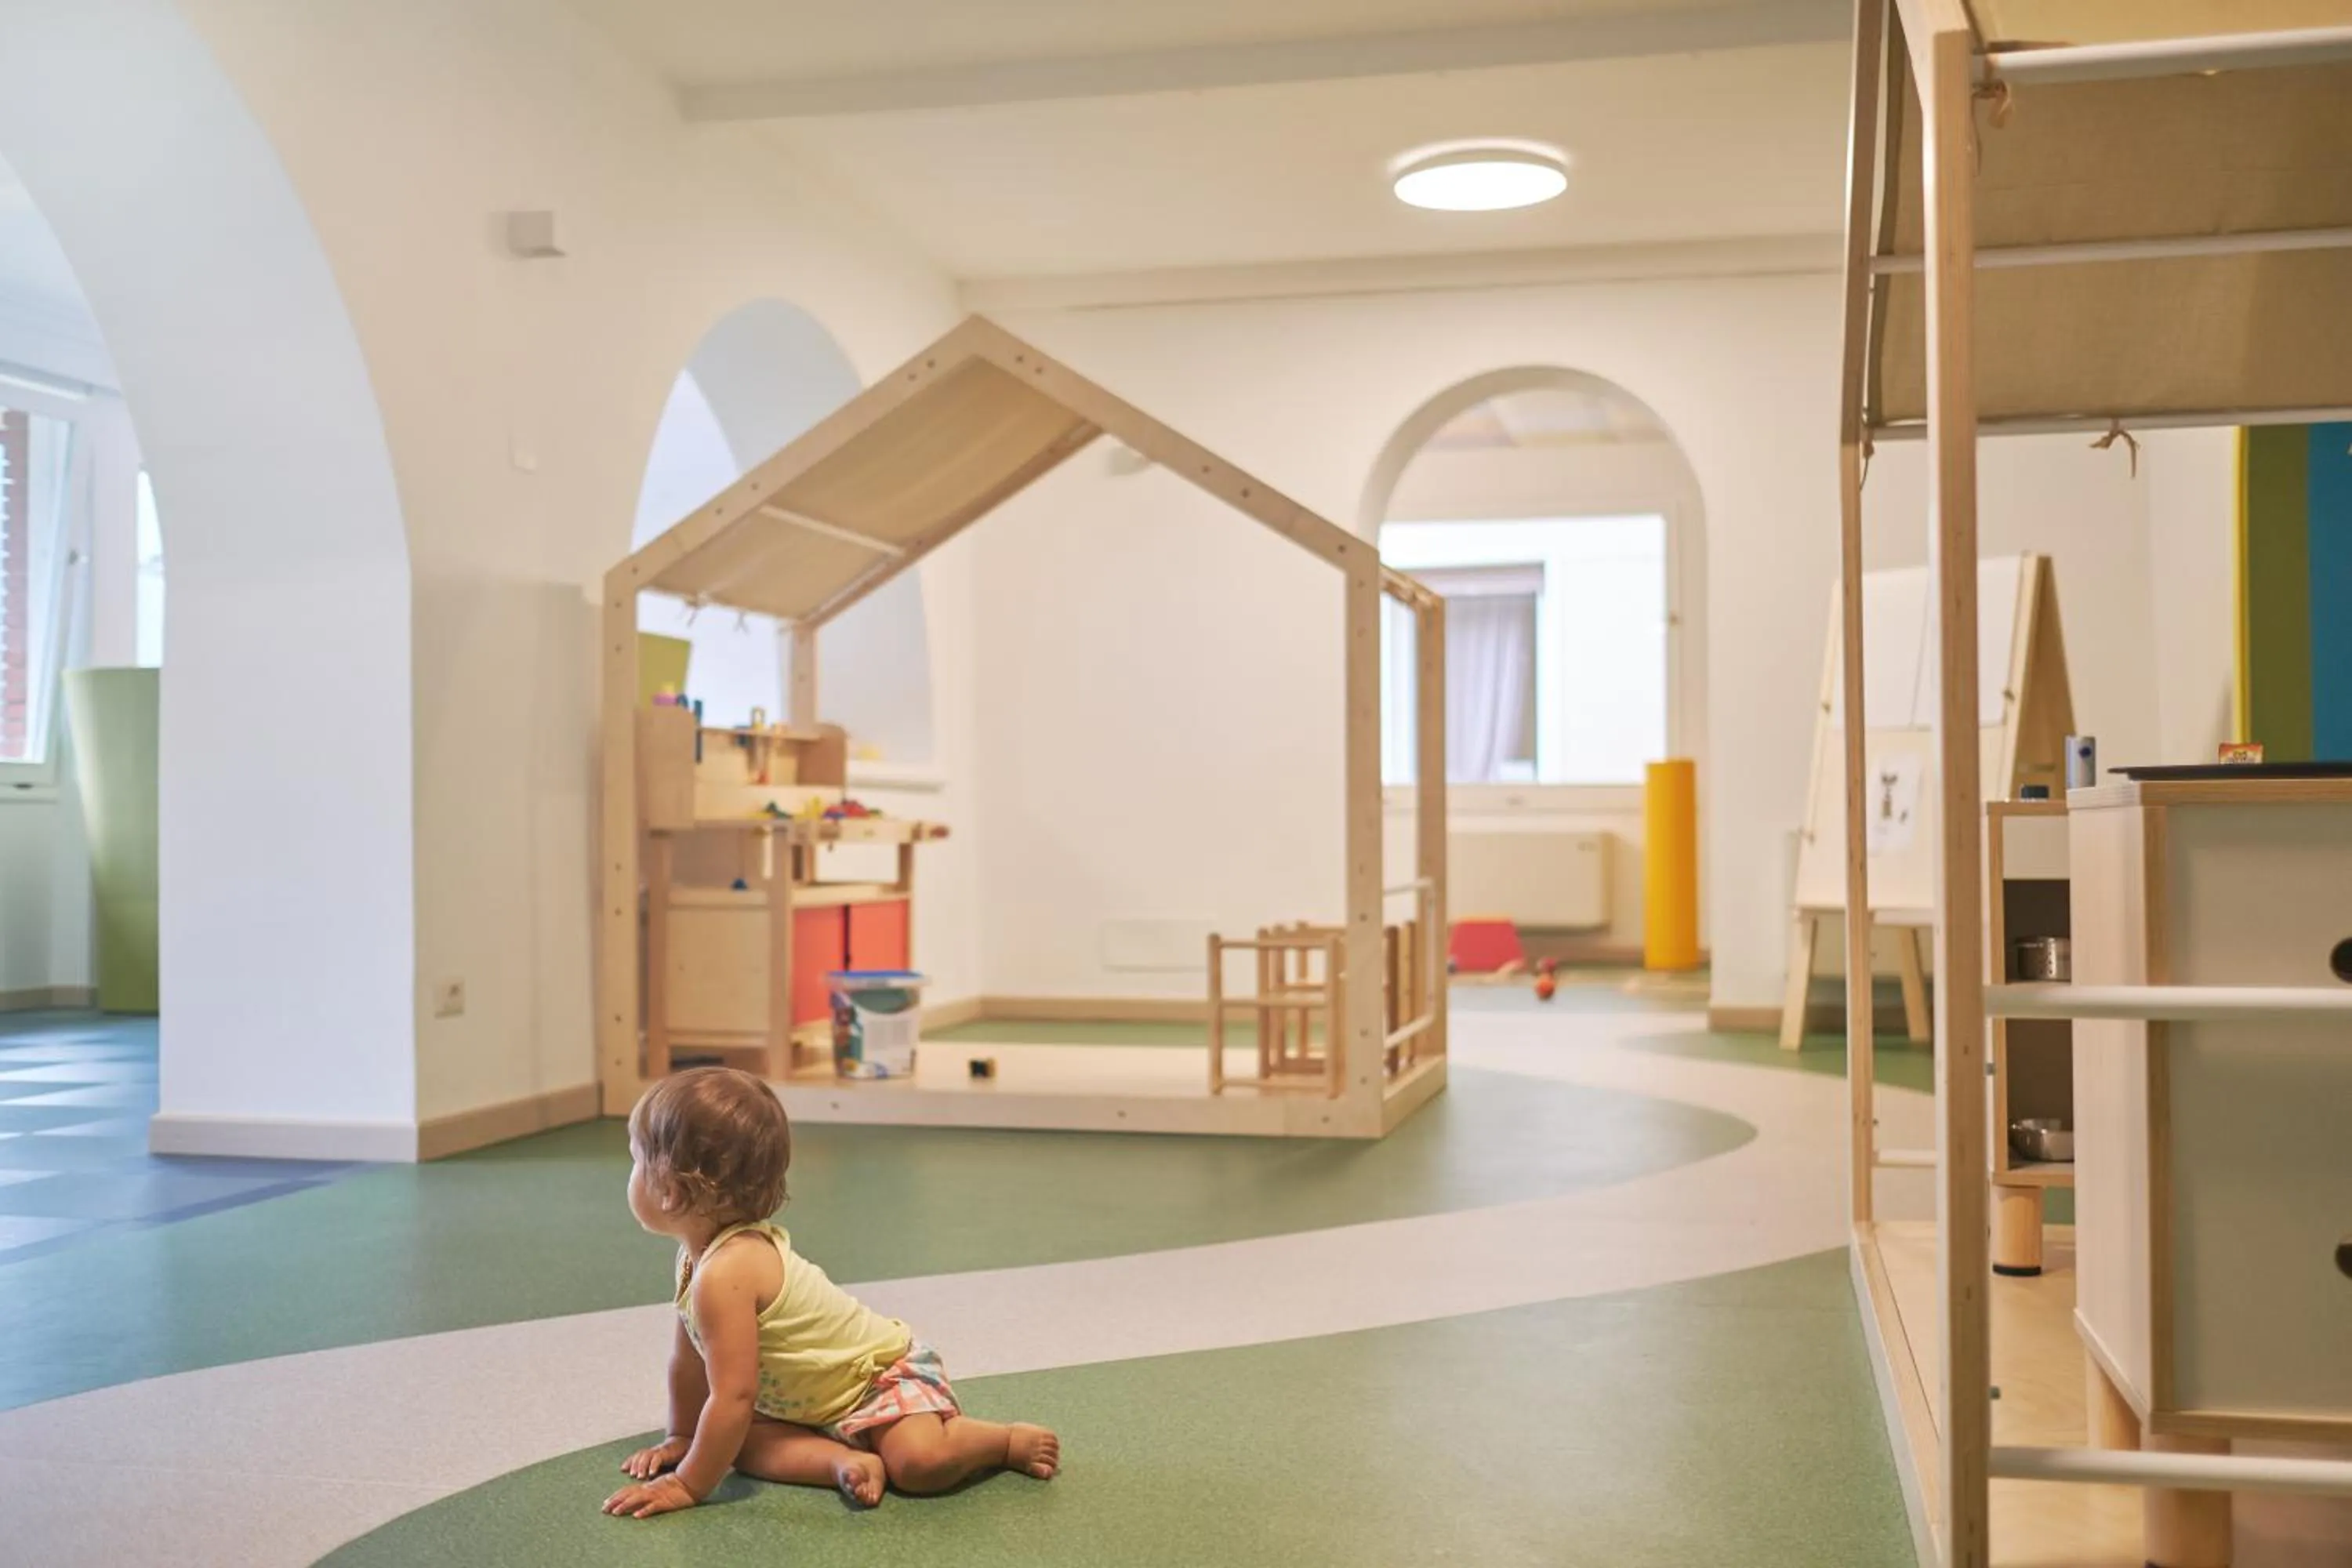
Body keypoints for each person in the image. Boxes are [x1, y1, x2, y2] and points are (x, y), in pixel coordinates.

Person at [602, 1066, 1060, 1517]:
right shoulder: (695, 1258)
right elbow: (690, 1361)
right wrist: (683, 1437)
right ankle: (845, 1461)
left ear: (672, 1191)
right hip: (803, 1404)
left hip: (875, 1381)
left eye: (636, 1161)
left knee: (919, 1466)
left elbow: (734, 1396)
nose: (631, 1174)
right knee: (730, 1442)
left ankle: (1002, 1441)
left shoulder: (729, 1271)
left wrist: (687, 1483)